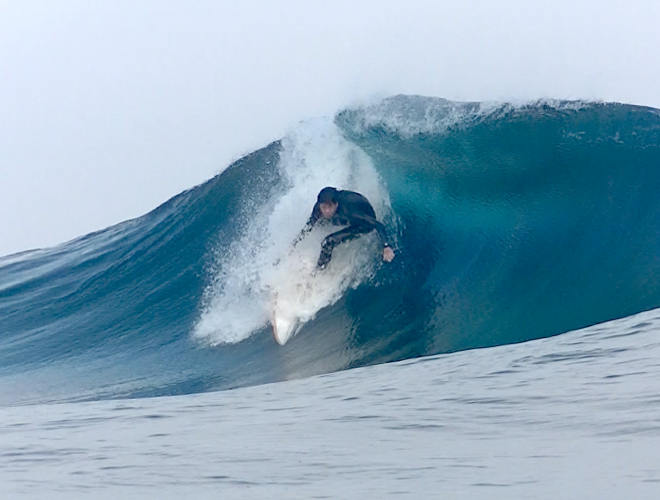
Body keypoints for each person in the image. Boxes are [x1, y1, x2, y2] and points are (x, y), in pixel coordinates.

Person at [294, 186, 395, 269]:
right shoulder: (319, 207)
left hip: (363, 223)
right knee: (320, 223)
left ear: (336, 204)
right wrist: (295, 243)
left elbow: (378, 224)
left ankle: (318, 271)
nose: (327, 211)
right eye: (324, 207)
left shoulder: (348, 209)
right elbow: (309, 226)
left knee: (328, 242)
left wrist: (386, 246)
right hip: (345, 217)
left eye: (330, 207)